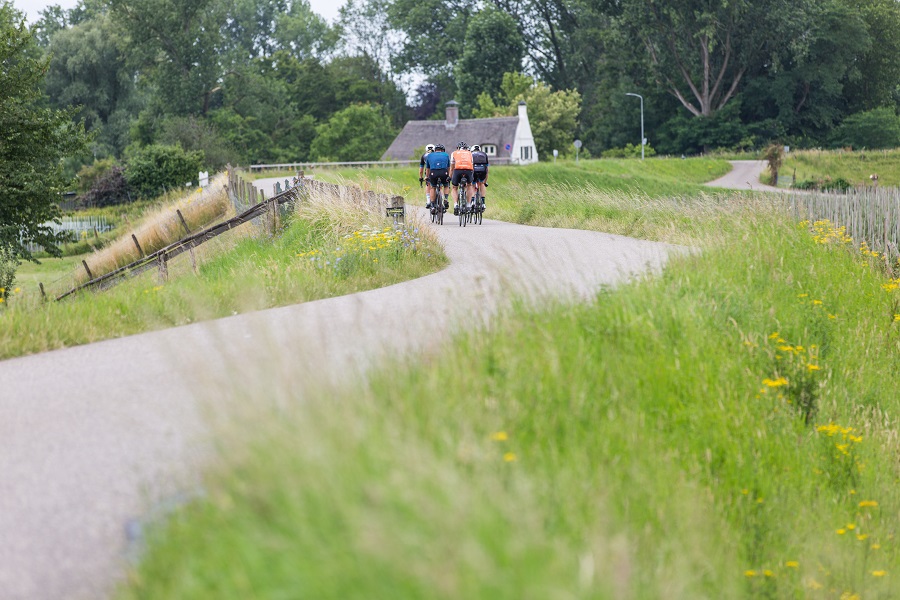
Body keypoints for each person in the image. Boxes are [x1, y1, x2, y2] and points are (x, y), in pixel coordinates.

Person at [449, 141, 475, 215]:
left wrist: (450, 177)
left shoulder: (454, 153)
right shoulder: (470, 153)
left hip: (458, 170)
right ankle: (469, 204)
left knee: (454, 187)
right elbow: (472, 165)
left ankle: (455, 204)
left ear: (458, 148)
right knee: (469, 185)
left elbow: (452, 167)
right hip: (468, 170)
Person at [423, 144, 451, 209]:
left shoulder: (430, 155)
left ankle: (432, 205)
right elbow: (448, 167)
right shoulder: (446, 155)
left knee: (433, 187)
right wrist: (449, 176)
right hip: (444, 172)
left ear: (435, 150)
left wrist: (427, 176)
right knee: (446, 185)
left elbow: (427, 168)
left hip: (433, 172)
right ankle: (446, 199)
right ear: (443, 150)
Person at [471, 144, 489, 209]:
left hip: (474, 170)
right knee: (482, 184)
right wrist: (485, 182)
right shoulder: (484, 154)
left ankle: (472, 201)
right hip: (482, 169)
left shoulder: (470, 154)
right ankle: (483, 203)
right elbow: (487, 169)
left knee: (472, 185)